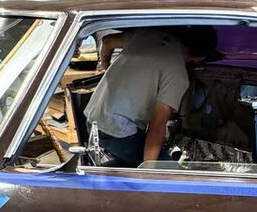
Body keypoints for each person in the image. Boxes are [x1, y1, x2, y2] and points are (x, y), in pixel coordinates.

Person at [85, 27, 221, 167]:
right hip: (117, 131)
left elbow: (107, 42)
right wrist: (150, 169)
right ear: (199, 58)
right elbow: (157, 126)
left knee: (134, 160)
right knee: (172, 172)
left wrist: (105, 64)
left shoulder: (147, 34)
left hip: (92, 119)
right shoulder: (177, 74)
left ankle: (103, 174)